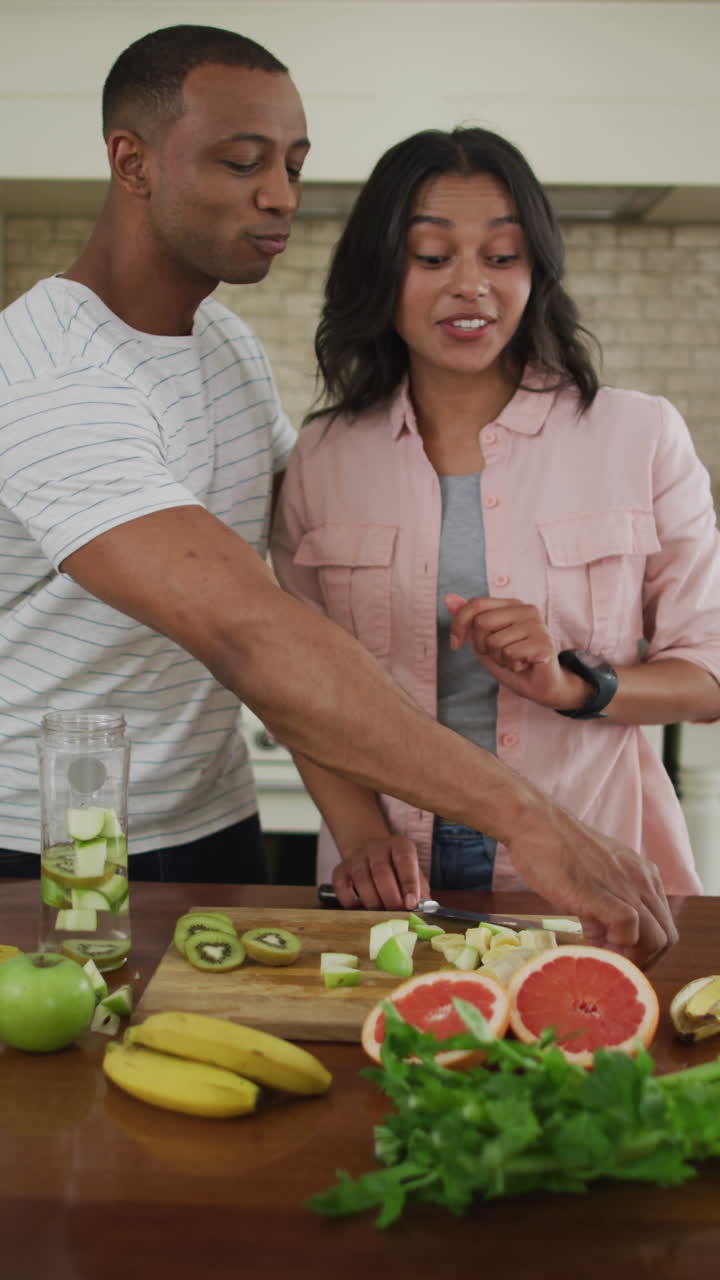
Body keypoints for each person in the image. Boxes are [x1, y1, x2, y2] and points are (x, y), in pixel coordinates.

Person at [0, 27, 677, 960]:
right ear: (132, 162)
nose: (280, 195)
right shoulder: (46, 372)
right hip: (40, 839)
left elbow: (296, 568)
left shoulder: (224, 349)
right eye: (243, 162)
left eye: (293, 162)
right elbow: (250, 627)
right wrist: (530, 818)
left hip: (207, 818)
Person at [271, 126, 720, 917]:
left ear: (536, 270)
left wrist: (573, 684)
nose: (471, 285)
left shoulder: (638, 435)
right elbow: (298, 685)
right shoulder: (324, 456)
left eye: (502, 256)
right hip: (389, 876)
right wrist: (358, 831)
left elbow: (709, 673)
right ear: (381, 270)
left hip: (592, 856)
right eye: (433, 257)